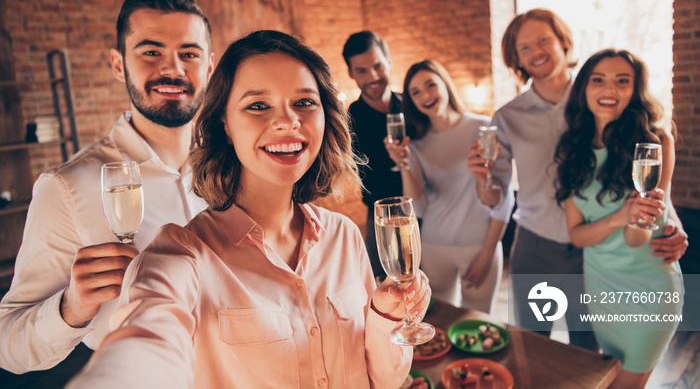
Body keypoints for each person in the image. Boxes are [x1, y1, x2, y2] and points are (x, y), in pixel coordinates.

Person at [66, 30, 430, 389]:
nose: (288, 121)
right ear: (224, 125)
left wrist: (385, 315)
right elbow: (144, 340)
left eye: (304, 102)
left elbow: (381, 380)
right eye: (258, 105)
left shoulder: (344, 236)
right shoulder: (183, 255)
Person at [0, 0, 214, 377]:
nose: (173, 69)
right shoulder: (65, 187)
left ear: (209, 67)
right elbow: (8, 345)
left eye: (189, 54)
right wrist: (71, 306)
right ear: (119, 65)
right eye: (151, 52)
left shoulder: (235, 167)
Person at [467, 8, 687, 350]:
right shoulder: (508, 117)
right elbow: (497, 195)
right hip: (535, 245)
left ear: (563, 43)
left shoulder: (602, 96)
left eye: (544, 40)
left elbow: (650, 180)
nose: (536, 51)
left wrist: (673, 223)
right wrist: (483, 180)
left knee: (587, 351)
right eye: (524, 47)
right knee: (532, 343)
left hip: (598, 251)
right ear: (517, 59)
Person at [555, 49, 682, 388]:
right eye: (598, 80)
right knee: (608, 377)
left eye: (622, 81)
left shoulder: (654, 143)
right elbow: (577, 236)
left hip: (649, 286)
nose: (608, 89)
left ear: (635, 90)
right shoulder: (573, 147)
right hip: (601, 284)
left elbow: (637, 238)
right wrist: (618, 217)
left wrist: (634, 218)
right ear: (583, 88)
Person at [384, 60, 514, 313]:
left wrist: (488, 254)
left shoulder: (483, 127)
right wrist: (404, 164)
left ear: (446, 84)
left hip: (479, 245)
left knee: (478, 320)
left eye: (431, 84)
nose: (426, 95)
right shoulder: (417, 143)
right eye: (416, 92)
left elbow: (502, 199)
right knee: (438, 320)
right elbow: (419, 208)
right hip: (434, 245)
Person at [342, 31, 403, 281]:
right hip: (382, 216)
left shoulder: (410, 104)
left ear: (389, 62)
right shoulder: (349, 118)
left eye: (378, 66)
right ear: (351, 73)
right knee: (384, 283)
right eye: (362, 71)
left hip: (428, 210)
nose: (373, 77)